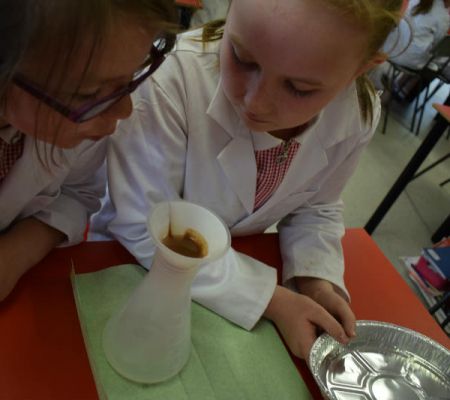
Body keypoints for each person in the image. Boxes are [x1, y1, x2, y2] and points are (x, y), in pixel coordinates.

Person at [91, 0, 404, 360]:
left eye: (299, 88)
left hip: (227, 276)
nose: (256, 103)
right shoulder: (172, 81)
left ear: (359, 70)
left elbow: (317, 206)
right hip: (129, 269)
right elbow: (145, 226)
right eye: (241, 58)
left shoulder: (356, 114)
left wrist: (316, 278)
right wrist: (273, 300)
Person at [0, 0, 177, 302]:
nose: (124, 111)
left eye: (131, 76)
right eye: (88, 94)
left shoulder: (81, 123)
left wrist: (16, 254)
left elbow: (77, 194)